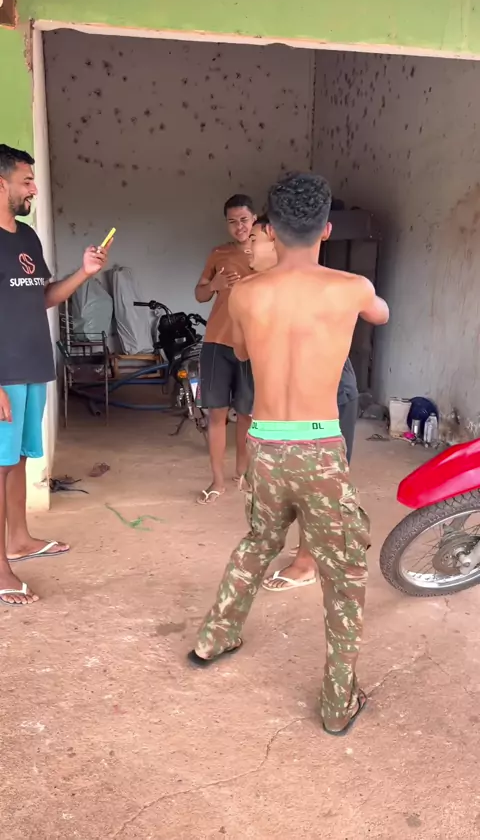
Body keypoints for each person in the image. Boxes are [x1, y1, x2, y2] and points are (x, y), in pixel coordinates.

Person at [188, 172, 389, 736]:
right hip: (319, 447)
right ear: (327, 229)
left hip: (266, 445)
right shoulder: (351, 286)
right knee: (343, 571)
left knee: (259, 540)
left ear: (270, 228)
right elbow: (381, 313)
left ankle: (214, 637)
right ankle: (337, 701)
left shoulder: (247, 293)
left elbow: (243, 348)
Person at [0, 144, 110, 606]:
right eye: (26, 180)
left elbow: (43, 297)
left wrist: (84, 273)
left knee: (18, 460)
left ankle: (18, 540)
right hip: (3, 374)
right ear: (1, 184)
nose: (34, 189)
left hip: (32, 366)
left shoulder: (27, 237)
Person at [249, 216, 360, 591]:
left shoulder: (314, 284)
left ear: (275, 239)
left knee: (318, 481)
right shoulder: (260, 288)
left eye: (254, 238)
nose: (248, 247)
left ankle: (308, 561)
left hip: (328, 390)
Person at [195, 194, 256, 504]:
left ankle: (242, 473)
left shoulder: (269, 255)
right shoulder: (218, 253)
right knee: (216, 414)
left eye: (244, 220)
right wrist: (214, 285)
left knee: (247, 414)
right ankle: (217, 480)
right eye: (232, 222)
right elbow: (200, 294)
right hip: (217, 341)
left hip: (254, 345)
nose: (239, 226)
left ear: (255, 219)